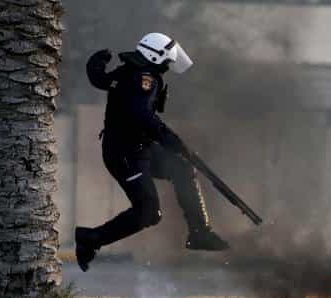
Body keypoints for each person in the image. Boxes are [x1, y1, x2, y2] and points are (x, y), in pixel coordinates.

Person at [75, 32, 229, 272]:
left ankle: (200, 232)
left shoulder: (129, 73)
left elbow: (101, 79)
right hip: (125, 154)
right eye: (167, 61)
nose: (168, 66)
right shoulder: (144, 78)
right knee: (148, 212)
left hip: (140, 149)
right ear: (154, 56)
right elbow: (141, 115)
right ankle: (90, 238)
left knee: (182, 168)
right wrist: (171, 139)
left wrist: (97, 62)